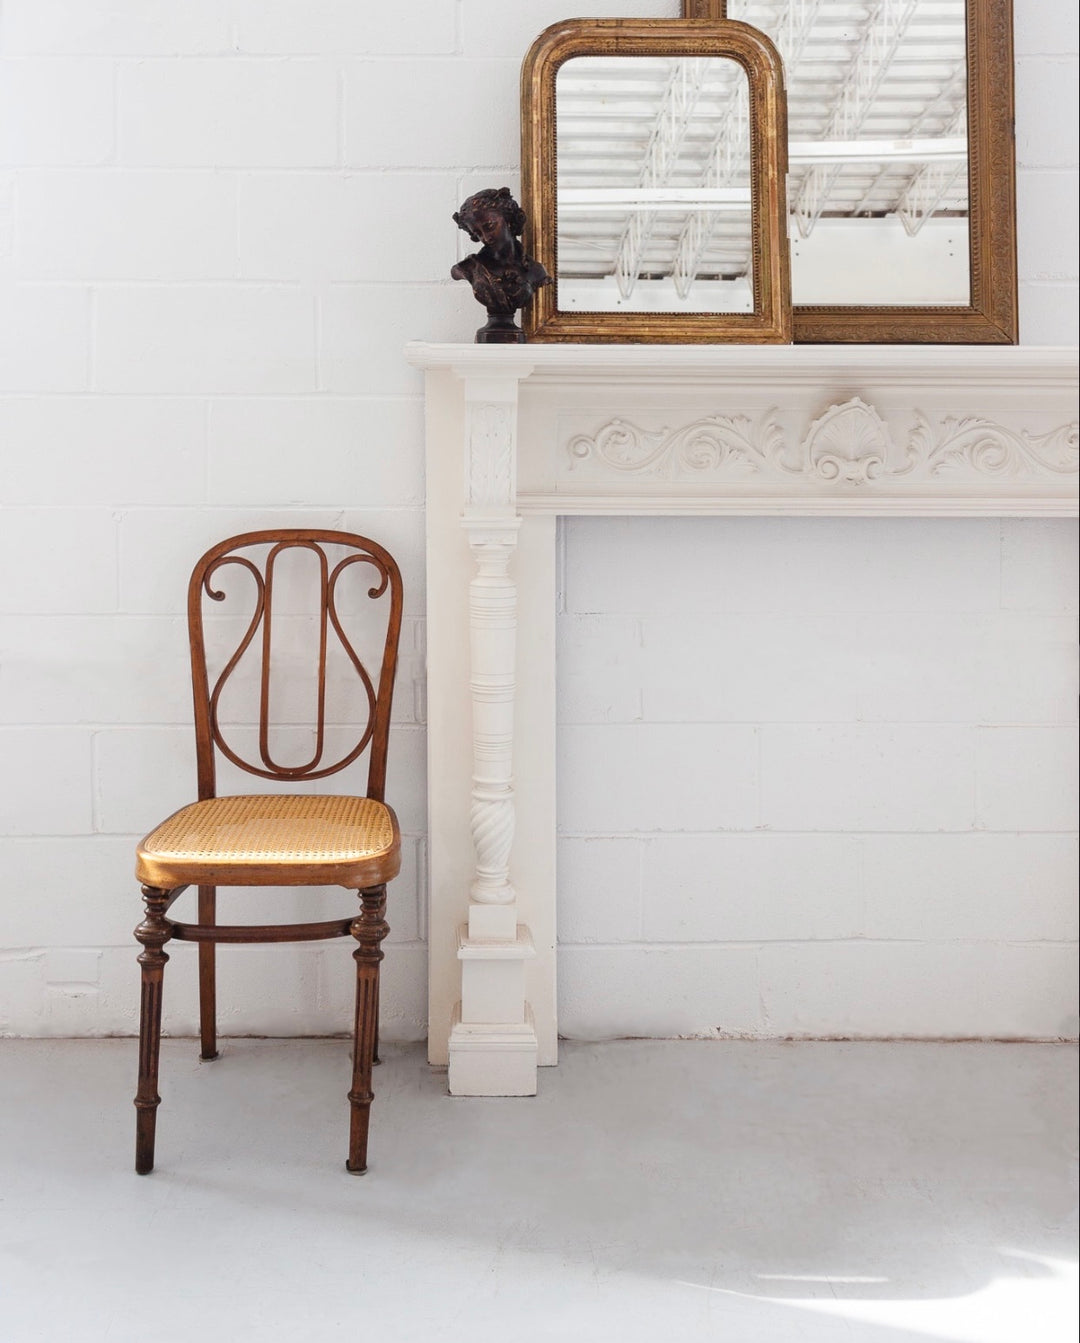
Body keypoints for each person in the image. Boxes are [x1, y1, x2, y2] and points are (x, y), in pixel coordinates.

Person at [451, 187, 551, 342]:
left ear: (509, 221)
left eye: (489, 227)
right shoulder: (469, 268)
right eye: (478, 233)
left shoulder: (535, 271)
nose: (485, 237)